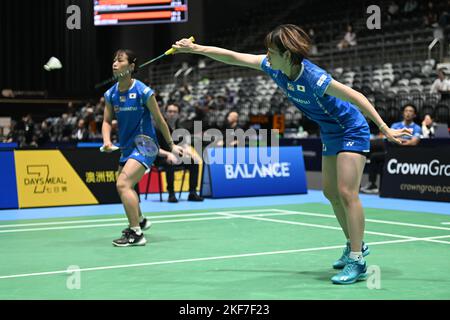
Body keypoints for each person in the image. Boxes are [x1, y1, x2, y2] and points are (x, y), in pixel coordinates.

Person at [172, 24, 411, 285]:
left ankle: (358, 259)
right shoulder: (274, 68)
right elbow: (233, 57)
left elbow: (357, 97)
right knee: (330, 193)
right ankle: (355, 245)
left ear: (287, 55)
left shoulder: (313, 77)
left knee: (346, 192)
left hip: (350, 128)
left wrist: (385, 129)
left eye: (271, 51)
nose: (266, 55)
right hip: (330, 131)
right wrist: (195, 48)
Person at [102, 49, 183, 247]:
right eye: (114, 60)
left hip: (145, 145)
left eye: (119, 60)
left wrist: (171, 145)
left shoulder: (143, 91)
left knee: (123, 184)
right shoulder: (111, 94)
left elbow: (160, 120)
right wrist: (106, 141)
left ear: (130, 67)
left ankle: (136, 233)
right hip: (127, 147)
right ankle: (141, 219)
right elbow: (106, 121)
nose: (114, 63)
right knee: (122, 186)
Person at [361, 104, 422, 194]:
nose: (408, 113)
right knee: (373, 156)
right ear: (403, 113)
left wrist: (397, 140)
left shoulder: (417, 128)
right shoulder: (395, 125)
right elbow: (390, 138)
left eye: (411, 111)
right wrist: (405, 140)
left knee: (377, 153)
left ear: (414, 115)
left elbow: (414, 142)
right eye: (406, 111)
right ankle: (372, 184)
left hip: (406, 154)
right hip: (391, 152)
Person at [154, 103, 203, 203]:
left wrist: (192, 154)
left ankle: (192, 193)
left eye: (175, 112)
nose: (172, 114)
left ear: (178, 114)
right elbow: (155, 149)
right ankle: (171, 194)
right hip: (161, 157)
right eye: (170, 111)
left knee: (194, 162)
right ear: (165, 113)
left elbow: (184, 145)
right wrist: (168, 154)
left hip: (177, 157)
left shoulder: (180, 128)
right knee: (171, 161)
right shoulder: (158, 128)